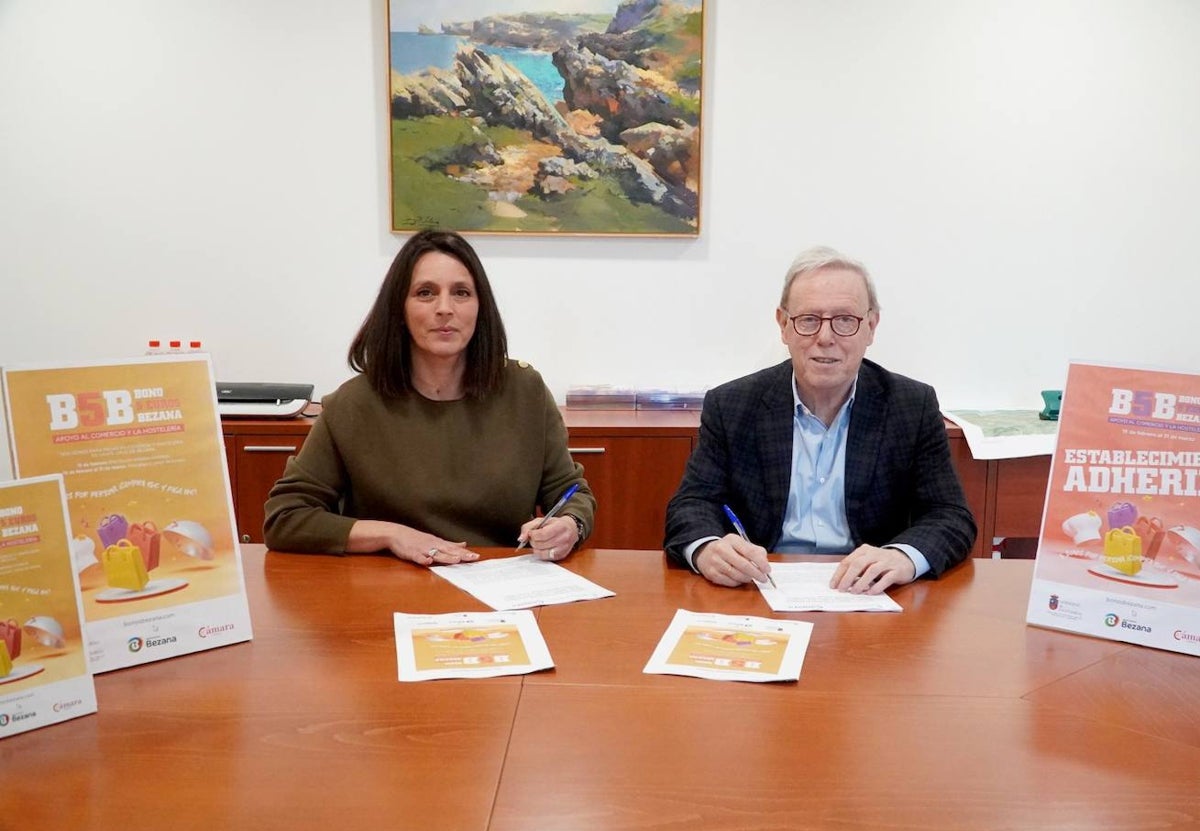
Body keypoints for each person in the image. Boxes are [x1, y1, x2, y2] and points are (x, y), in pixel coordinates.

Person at [264, 229, 595, 566]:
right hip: (390, 590)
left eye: (462, 293)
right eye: (425, 293)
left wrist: (569, 525)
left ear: (481, 307)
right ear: (399, 308)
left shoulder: (524, 391)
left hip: (499, 587)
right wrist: (392, 535)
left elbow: (571, 492)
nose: (445, 309)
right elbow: (285, 516)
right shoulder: (354, 404)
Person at [664, 246, 976, 593]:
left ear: (870, 327)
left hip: (867, 594)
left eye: (845, 320)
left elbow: (950, 515)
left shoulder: (910, 405)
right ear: (784, 326)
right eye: (809, 320)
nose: (825, 338)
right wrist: (707, 547)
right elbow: (691, 505)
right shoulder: (734, 405)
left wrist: (902, 557)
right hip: (760, 590)